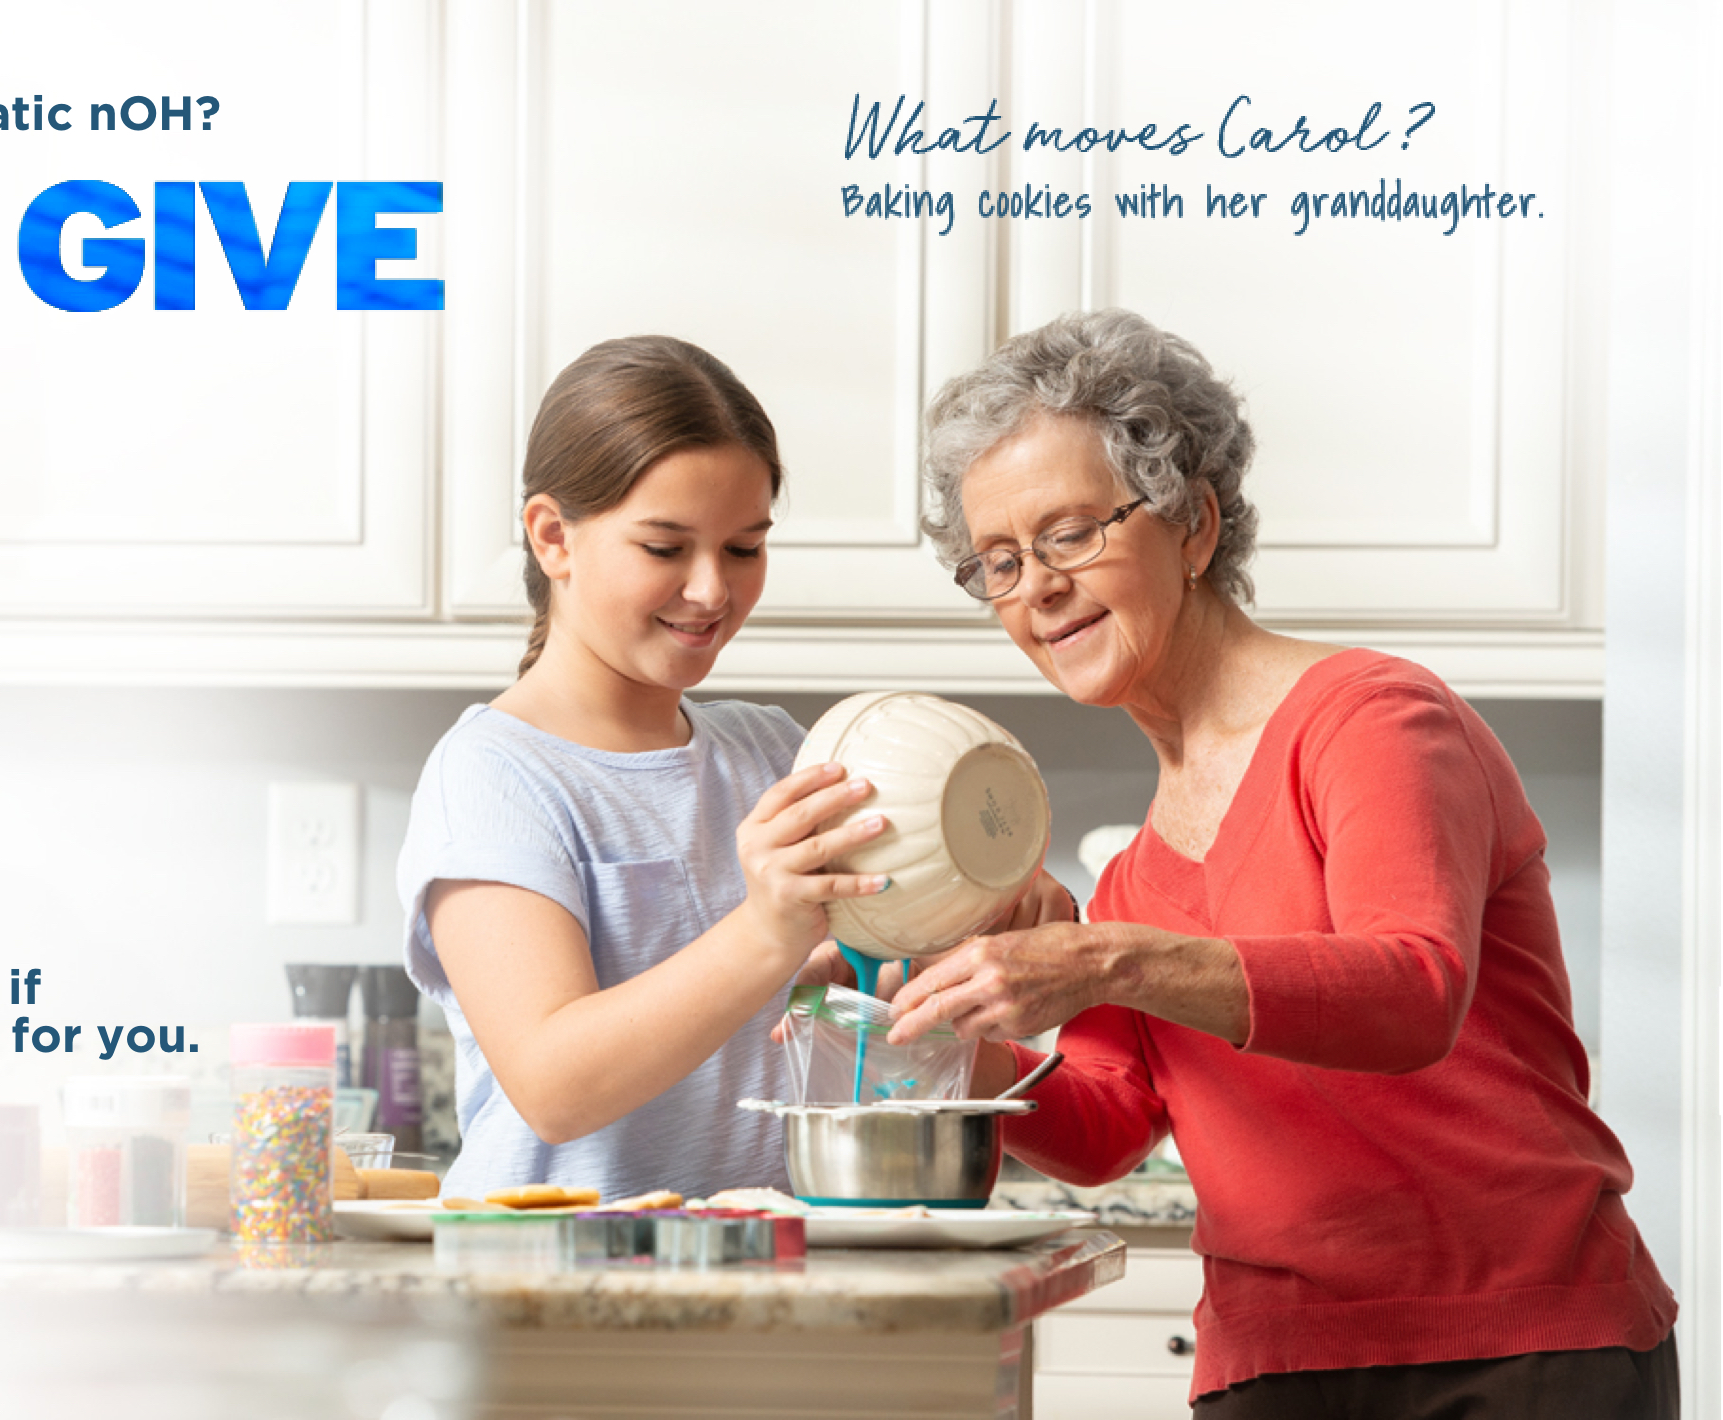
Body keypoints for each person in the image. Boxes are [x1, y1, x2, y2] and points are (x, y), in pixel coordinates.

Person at [888, 308, 1678, 1417]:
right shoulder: (1138, 872)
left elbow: (1410, 988)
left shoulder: (1372, 721)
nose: (1036, 590)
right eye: (1000, 562)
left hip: (1517, 1344)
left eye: (1070, 533)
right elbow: (1106, 1128)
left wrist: (1106, 959)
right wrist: (940, 1042)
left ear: (1194, 524)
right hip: (1272, 1360)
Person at [394, 335, 888, 1201]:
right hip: (561, 1304)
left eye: (744, 548)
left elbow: (873, 987)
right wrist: (766, 937)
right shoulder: (494, 777)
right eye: (665, 549)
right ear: (554, 537)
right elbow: (553, 1085)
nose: (711, 590)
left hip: (776, 1284)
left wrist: (966, 920)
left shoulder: (775, 751)